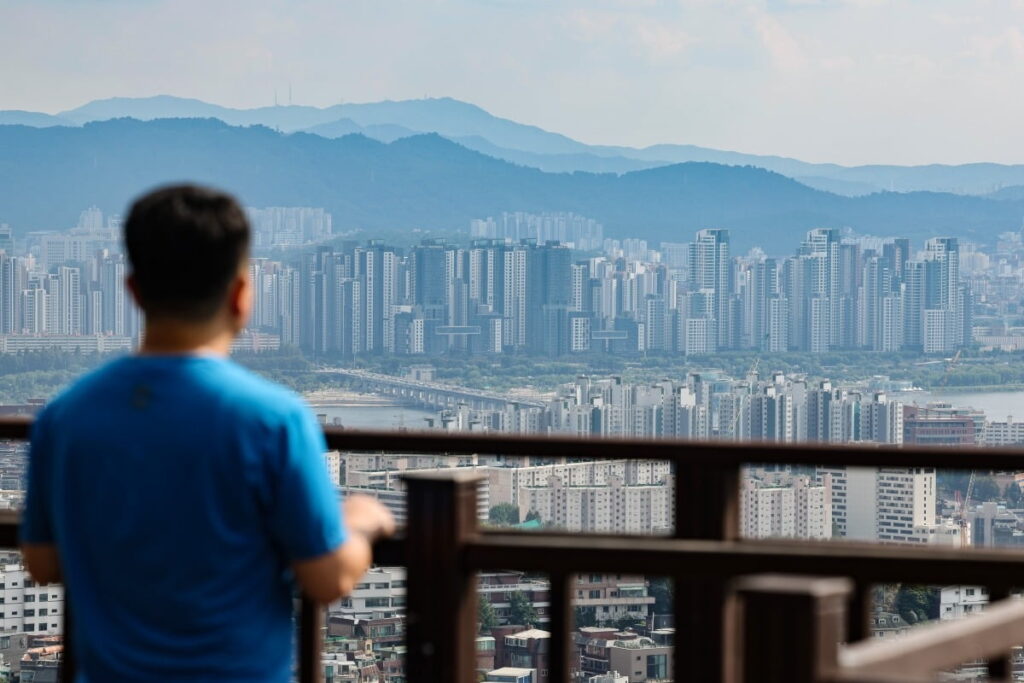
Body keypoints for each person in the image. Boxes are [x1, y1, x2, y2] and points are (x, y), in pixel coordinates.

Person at [19, 185, 395, 682]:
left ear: (133, 291)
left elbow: (43, 562)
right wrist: (363, 519)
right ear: (241, 293)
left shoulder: (65, 417)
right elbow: (328, 577)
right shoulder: (274, 419)